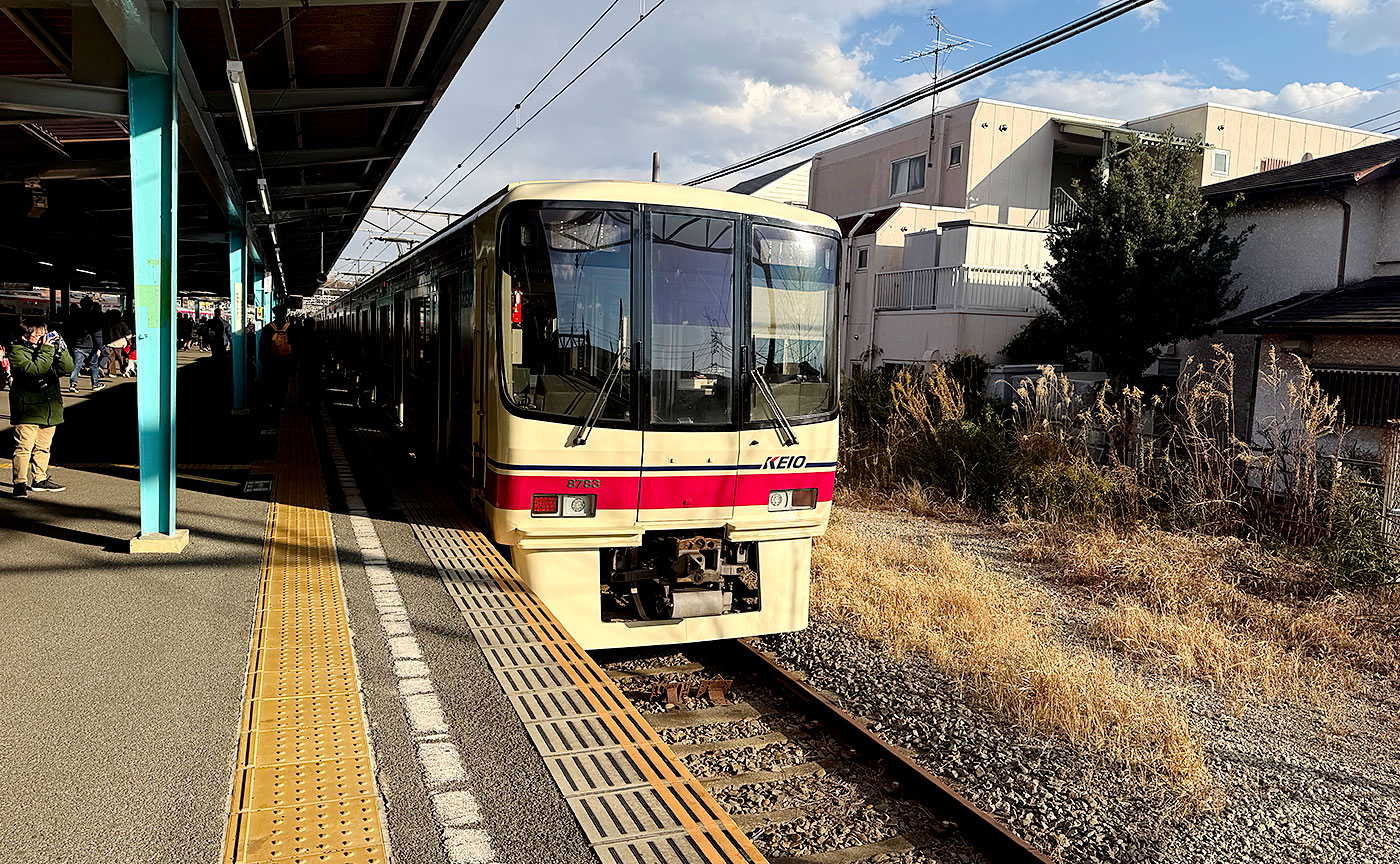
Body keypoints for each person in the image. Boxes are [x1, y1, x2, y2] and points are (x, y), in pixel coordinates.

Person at [9, 317, 73, 497]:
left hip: (49, 408)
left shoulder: (46, 349)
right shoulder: (17, 351)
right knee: (24, 447)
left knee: (44, 447)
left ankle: (40, 479)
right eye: (38, 335)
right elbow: (37, 369)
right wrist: (47, 349)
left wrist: (62, 350)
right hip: (27, 409)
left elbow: (67, 368)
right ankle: (19, 483)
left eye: (45, 334)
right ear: (25, 335)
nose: (43, 338)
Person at [258, 304, 295, 412]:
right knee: (283, 382)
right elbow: (296, 346)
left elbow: (262, 345)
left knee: (271, 381)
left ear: (274, 313)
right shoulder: (291, 328)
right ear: (285, 313)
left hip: (270, 362)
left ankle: (271, 403)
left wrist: (262, 360)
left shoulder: (268, 328)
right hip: (285, 361)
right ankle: (281, 404)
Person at [67, 296, 106, 393]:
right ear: (91, 305)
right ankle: (95, 384)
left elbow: (70, 331)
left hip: (78, 345)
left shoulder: (75, 315)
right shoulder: (94, 316)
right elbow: (97, 334)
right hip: (90, 346)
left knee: (77, 365)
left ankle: (73, 384)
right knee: (94, 366)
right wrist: (100, 347)